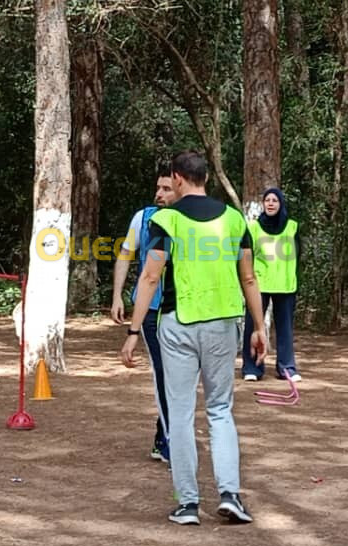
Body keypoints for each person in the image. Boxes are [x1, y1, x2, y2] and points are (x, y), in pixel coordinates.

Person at [120, 151, 267, 526]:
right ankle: (230, 494)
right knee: (220, 410)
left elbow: (150, 278)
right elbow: (249, 278)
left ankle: (187, 504)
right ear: (205, 178)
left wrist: (134, 331)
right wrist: (259, 327)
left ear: (179, 179)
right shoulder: (235, 220)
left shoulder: (166, 221)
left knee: (182, 414)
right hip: (223, 324)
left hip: (177, 325)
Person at [111, 166, 177, 463]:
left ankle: (167, 434)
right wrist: (117, 296)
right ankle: (166, 439)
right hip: (150, 309)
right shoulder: (144, 217)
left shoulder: (194, 220)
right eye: (158, 188)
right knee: (165, 373)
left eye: (166, 189)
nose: (159, 194)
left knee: (180, 377)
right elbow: (125, 255)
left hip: (183, 310)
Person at [241, 188, 301, 382]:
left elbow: (299, 254)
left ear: (281, 203)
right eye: (267, 200)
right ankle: (252, 367)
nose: (271, 203)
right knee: (253, 326)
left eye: (275, 200)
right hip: (259, 284)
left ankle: (287, 368)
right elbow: (247, 255)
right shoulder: (253, 228)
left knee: (285, 328)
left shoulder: (292, 226)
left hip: (285, 285)